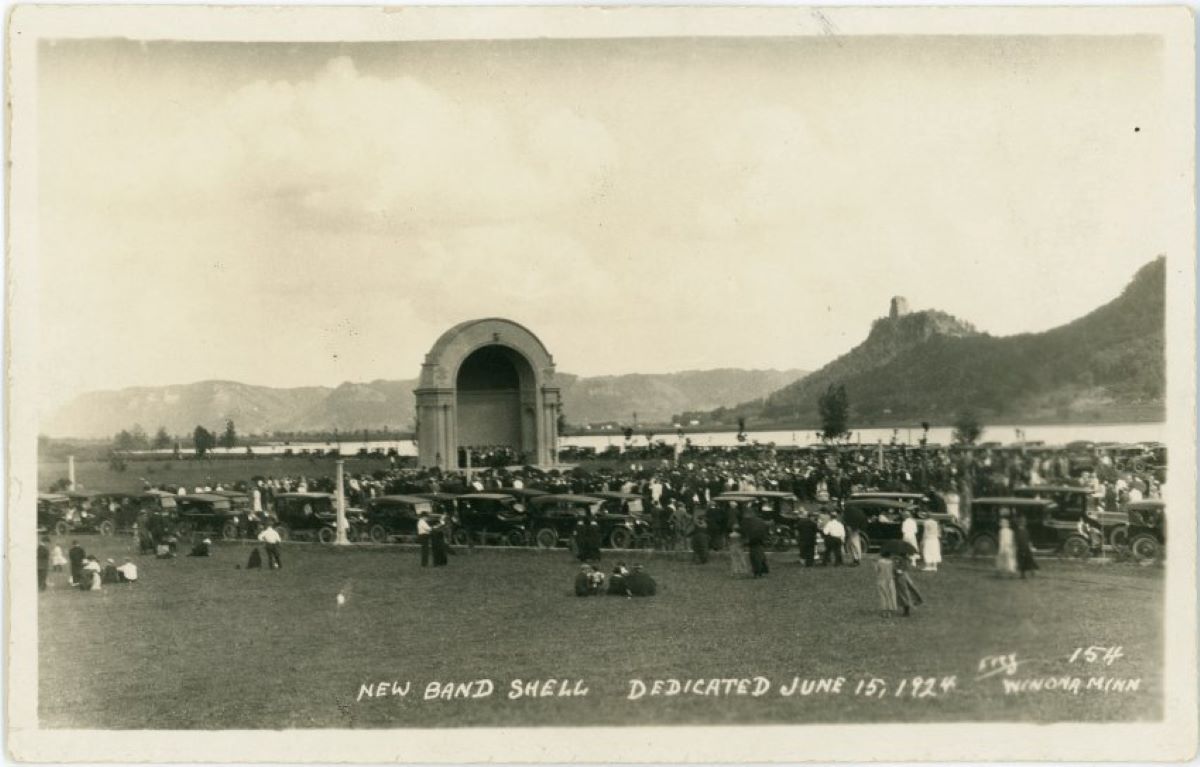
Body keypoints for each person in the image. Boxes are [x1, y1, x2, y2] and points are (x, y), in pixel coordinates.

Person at [740, 512, 770, 578]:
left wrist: (746, 541)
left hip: (753, 542)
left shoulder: (749, 523)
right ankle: (761, 571)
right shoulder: (760, 521)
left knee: (755, 558)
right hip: (759, 541)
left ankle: (757, 572)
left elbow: (746, 531)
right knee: (761, 556)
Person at [875, 551, 898, 617]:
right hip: (890, 580)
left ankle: (884, 611)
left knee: (883, 596)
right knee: (891, 595)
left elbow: (877, 571)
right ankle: (890, 611)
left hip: (881, 579)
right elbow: (894, 570)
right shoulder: (892, 562)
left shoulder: (879, 562)